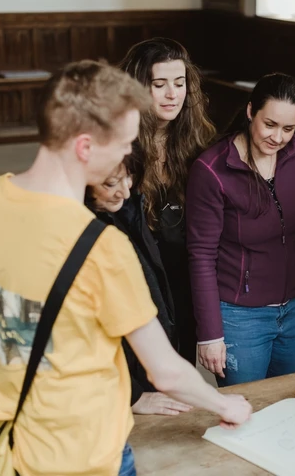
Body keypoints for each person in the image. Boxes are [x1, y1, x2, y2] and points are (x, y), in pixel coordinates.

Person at [0, 60, 251, 476]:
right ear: (85, 147)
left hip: (9, 445)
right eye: (125, 143)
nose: (131, 153)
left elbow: (10, 311)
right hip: (83, 456)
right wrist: (226, 405)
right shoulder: (102, 248)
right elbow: (165, 371)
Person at [187, 73, 295, 387]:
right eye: (270, 124)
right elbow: (201, 256)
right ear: (251, 112)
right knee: (246, 413)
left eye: (288, 128)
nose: (278, 138)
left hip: (292, 310)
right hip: (239, 317)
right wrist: (210, 333)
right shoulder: (212, 170)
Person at [119, 37, 216, 365]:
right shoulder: (118, 147)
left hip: (184, 284)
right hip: (135, 288)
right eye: (159, 84)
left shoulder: (195, 144)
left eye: (179, 83)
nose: (173, 94)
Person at [86, 157, 191, 417]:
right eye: (111, 183)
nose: (125, 189)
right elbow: (85, 334)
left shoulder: (127, 208)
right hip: (113, 392)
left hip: (146, 368)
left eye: (128, 177)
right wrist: (133, 395)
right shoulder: (81, 233)